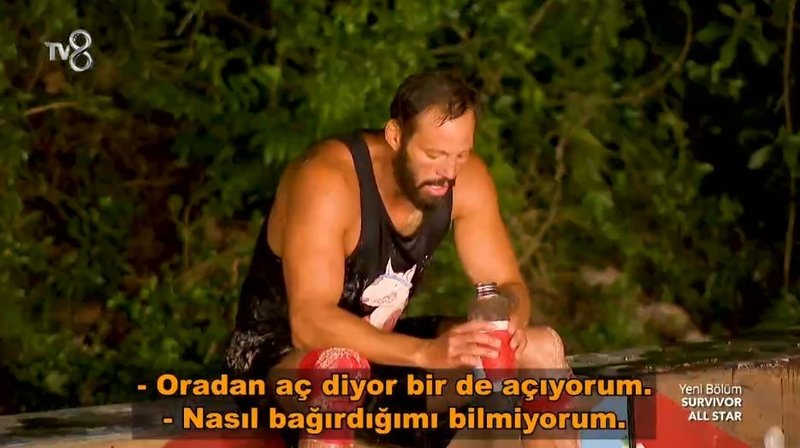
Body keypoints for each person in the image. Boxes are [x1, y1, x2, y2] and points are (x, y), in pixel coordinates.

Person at [224, 70, 579, 448]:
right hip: (279, 365)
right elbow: (309, 322)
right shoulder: (327, 179)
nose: (448, 172)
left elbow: (508, 284)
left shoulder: (465, 180)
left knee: (542, 349)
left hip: (387, 353)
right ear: (396, 136)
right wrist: (426, 353)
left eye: (460, 155)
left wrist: (509, 324)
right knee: (339, 370)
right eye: (434, 155)